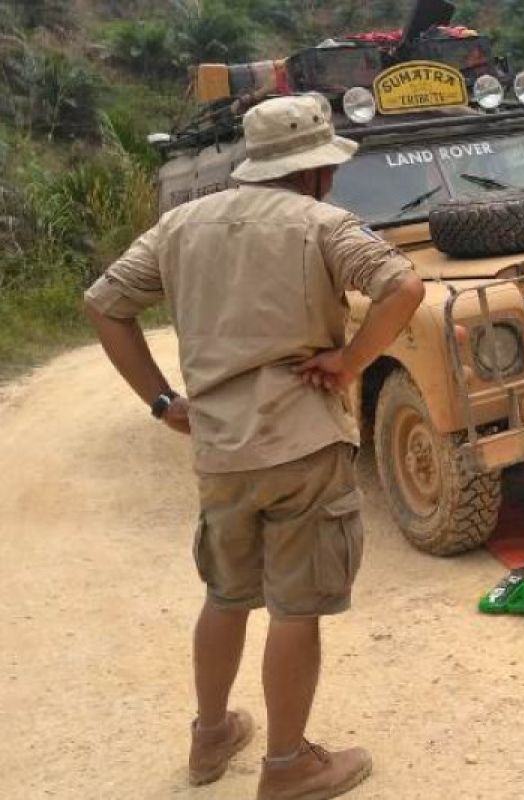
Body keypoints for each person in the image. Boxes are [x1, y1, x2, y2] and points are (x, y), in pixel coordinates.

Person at [83, 95, 426, 800]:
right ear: (313, 172)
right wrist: (351, 363)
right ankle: (287, 766)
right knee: (295, 608)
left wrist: (161, 402)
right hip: (302, 447)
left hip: (219, 451)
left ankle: (210, 738)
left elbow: (104, 304)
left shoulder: (179, 226)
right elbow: (404, 287)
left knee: (226, 592)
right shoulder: (324, 225)